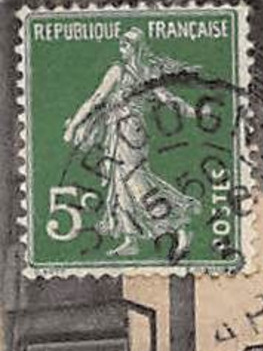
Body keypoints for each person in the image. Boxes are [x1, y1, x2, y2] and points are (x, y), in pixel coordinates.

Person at [63, 27, 201, 257]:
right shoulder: (146, 72)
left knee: (136, 183)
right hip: (124, 131)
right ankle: (130, 239)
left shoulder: (119, 70)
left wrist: (74, 125)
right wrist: (193, 112)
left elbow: (97, 98)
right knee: (120, 184)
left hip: (127, 131)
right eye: (121, 44)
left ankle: (180, 227)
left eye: (126, 45)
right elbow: (169, 99)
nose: (122, 49)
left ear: (136, 48)